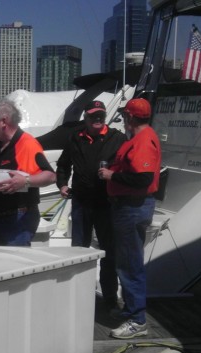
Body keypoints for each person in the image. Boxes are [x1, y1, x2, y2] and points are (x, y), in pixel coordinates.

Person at [98, 98, 161, 340]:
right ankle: (132, 311)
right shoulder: (140, 138)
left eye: (125, 115)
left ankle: (137, 320)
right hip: (129, 207)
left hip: (132, 207)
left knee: (130, 264)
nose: (124, 119)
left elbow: (143, 179)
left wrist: (111, 175)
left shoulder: (143, 140)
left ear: (131, 118)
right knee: (126, 261)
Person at [55, 100, 127, 310]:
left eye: (101, 116)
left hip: (107, 204)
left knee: (109, 253)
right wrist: (61, 184)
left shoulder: (118, 138)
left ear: (105, 117)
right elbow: (63, 164)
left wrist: (116, 178)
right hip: (81, 202)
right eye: (93, 115)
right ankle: (78, 296)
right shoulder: (75, 137)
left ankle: (110, 298)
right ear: (85, 118)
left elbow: (127, 168)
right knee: (79, 251)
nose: (97, 119)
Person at [0, 98, 56, 246]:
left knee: (10, 265)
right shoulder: (0, 144)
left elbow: (50, 176)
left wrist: (26, 181)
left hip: (17, 219)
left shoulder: (27, 144)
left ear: (3, 121)